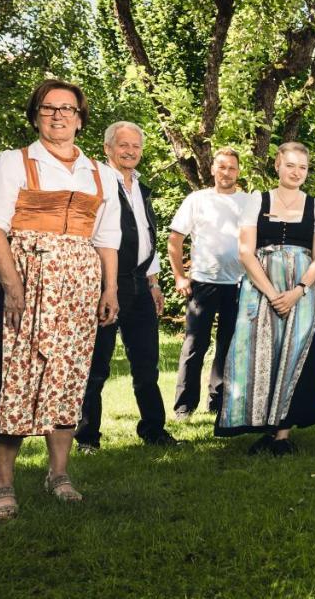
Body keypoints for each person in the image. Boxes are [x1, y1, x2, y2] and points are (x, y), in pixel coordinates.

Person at [0, 79, 121, 520]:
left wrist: (109, 288)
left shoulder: (100, 172)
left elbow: (108, 236)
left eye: (67, 109)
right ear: (36, 115)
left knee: (68, 375)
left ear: (80, 118)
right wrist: (12, 286)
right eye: (49, 108)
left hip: (79, 286)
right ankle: (2, 483)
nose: (58, 116)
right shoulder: (12, 162)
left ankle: (59, 474)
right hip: (26, 279)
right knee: (14, 378)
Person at [216, 142, 315, 456]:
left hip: (301, 292)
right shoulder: (257, 200)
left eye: (303, 167)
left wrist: (297, 291)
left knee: (293, 356)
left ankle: (282, 434)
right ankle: (263, 427)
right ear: (278, 165)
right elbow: (245, 251)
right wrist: (270, 293)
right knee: (259, 354)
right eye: (290, 165)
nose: (296, 172)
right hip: (261, 289)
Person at [75, 121, 178, 452]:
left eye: (136, 146)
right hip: (105, 283)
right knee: (96, 365)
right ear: (108, 149)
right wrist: (105, 284)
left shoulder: (142, 189)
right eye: (123, 145)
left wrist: (154, 281)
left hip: (140, 284)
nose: (130, 151)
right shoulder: (95, 184)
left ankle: (153, 430)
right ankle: (87, 437)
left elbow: (148, 237)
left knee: (147, 363)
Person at [169, 147, 251, 420]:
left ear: (238, 172)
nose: (226, 172)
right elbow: (175, 240)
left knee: (228, 346)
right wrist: (180, 276)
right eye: (222, 166)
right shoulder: (197, 199)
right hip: (202, 283)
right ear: (213, 169)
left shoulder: (249, 202)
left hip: (239, 284)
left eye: (232, 168)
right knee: (194, 345)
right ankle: (184, 406)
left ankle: (218, 402)